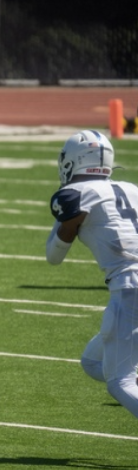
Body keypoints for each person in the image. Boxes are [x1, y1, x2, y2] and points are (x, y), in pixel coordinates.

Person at [46, 129, 138, 418]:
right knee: (92, 361)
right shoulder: (132, 189)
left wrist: (67, 223)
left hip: (130, 286)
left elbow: (54, 256)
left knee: (119, 381)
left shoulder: (75, 195)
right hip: (129, 285)